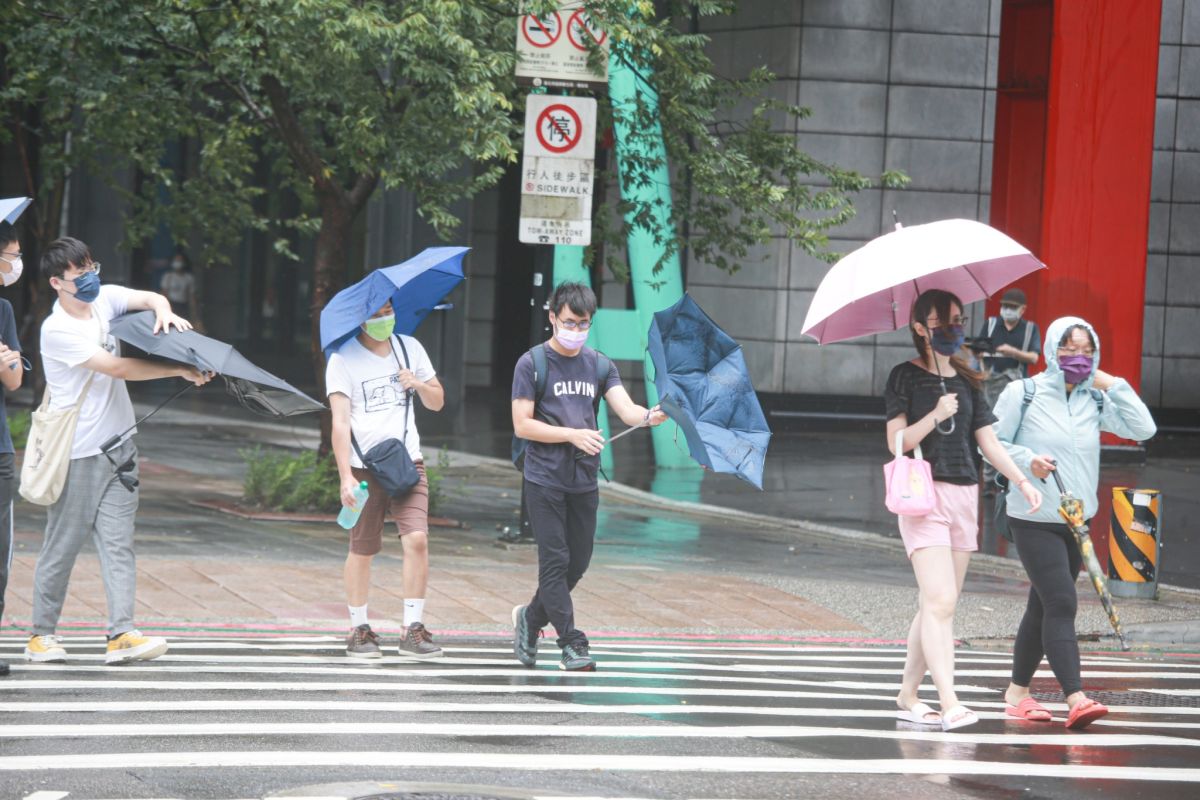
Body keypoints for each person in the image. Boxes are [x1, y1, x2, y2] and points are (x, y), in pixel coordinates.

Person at [25, 237, 211, 665]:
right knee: (63, 544)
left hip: (121, 447)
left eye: (92, 266)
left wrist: (164, 311)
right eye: (80, 273)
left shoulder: (104, 299)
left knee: (118, 544)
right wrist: (179, 369)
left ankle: (121, 633)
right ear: (57, 282)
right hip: (79, 452)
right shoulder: (57, 329)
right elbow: (116, 368)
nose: (91, 277)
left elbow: (148, 296)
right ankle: (41, 635)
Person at [885, 289, 1041, 731]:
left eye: (959, 319)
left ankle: (908, 694)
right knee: (941, 600)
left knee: (935, 604)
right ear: (920, 328)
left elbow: (989, 442)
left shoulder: (969, 379)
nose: (955, 328)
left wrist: (1023, 478)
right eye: (944, 323)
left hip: (964, 496)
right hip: (921, 495)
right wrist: (934, 414)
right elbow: (897, 442)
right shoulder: (904, 377)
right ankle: (950, 701)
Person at [990, 316, 1155, 729]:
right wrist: (1028, 460)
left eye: (1086, 350)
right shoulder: (1022, 393)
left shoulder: (1094, 399)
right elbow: (990, 443)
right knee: (1062, 602)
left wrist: (1111, 382)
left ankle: (1017, 693)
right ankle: (1075, 696)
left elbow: (1144, 428)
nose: (1078, 357)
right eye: (1068, 349)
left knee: (1042, 607)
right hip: (1031, 515)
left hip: (1076, 522)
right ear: (1050, 351)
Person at [510, 282, 667, 672]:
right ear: (552, 317)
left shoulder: (599, 364)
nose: (576, 330)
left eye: (583, 324)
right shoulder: (532, 363)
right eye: (569, 322)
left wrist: (650, 416)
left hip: (583, 477)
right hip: (544, 476)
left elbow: (626, 409)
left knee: (576, 563)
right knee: (555, 560)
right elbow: (522, 425)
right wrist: (570, 433)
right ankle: (571, 642)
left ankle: (530, 620)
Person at [327, 299, 445, 659]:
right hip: (364, 469)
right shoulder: (341, 359)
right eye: (375, 315)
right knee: (362, 549)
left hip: (408, 463)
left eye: (388, 311)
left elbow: (438, 401)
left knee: (418, 540)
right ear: (359, 319)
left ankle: (412, 629)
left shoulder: (410, 348)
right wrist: (345, 476)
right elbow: (340, 422)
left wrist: (418, 385)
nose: (384, 320)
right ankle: (359, 629)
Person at [977, 288, 1041, 489]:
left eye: (1013, 308)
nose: (1007, 310)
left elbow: (1034, 357)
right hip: (990, 384)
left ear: (1023, 310)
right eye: (1005, 306)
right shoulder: (991, 324)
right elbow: (978, 351)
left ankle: (1009, 477)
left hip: (1015, 385)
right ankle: (988, 478)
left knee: (1012, 432)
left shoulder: (1030, 329)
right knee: (990, 429)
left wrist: (1013, 352)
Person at [0, 221, 26, 677]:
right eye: (11, 254)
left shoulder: (3, 310)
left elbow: (16, 380)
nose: (16, 263)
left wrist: (4, 362)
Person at [158, 250, 203, 333]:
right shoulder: (168, 276)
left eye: (179, 260)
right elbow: (164, 293)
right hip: (171, 305)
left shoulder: (188, 278)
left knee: (182, 329)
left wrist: (194, 315)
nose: (177, 263)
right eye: (176, 260)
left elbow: (191, 296)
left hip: (183, 307)